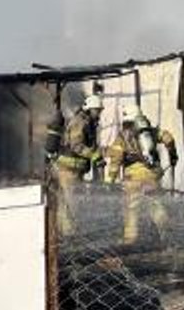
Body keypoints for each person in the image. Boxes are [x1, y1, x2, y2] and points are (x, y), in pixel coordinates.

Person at [104, 106, 177, 246]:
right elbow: (169, 138)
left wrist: (109, 181)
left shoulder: (122, 136)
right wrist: (173, 155)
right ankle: (166, 233)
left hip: (132, 178)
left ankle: (130, 239)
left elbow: (116, 160)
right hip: (151, 176)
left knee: (131, 209)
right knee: (156, 205)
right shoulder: (151, 132)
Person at [52, 95, 104, 236]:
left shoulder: (88, 123)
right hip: (68, 170)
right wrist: (93, 155)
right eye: (97, 110)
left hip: (74, 170)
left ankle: (66, 233)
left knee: (68, 203)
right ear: (89, 109)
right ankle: (70, 235)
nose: (99, 114)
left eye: (100, 110)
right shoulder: (80, 122)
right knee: (71, 202)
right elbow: (76, 146)